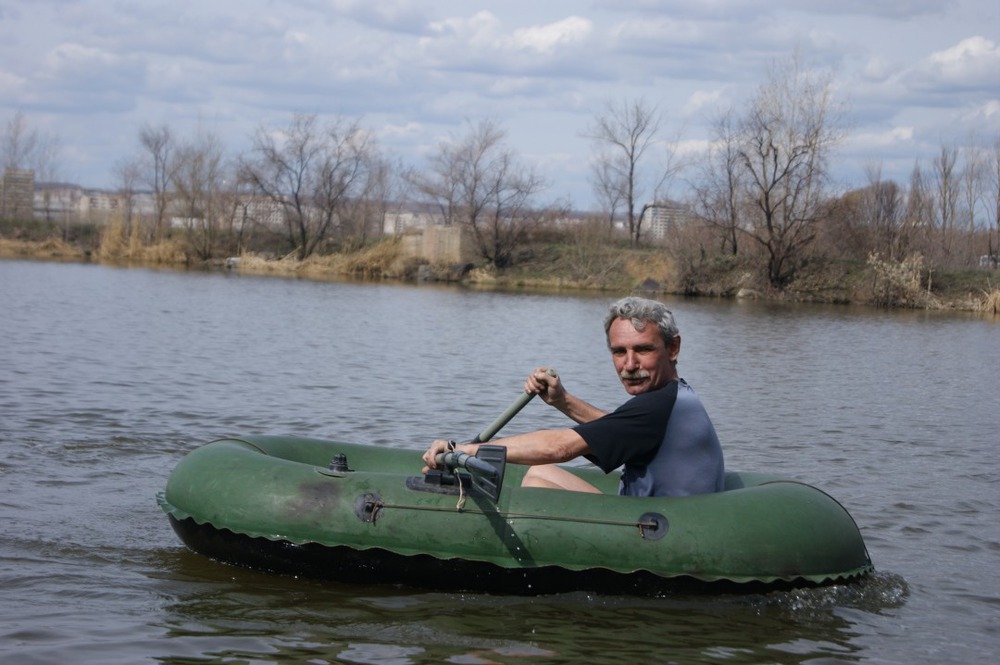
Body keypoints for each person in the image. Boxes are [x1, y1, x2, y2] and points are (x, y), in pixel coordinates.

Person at [422, 296, 725, 497]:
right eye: (619, 352)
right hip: (655, 518)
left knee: (536, 482)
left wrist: (464, 449)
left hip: (659, 532)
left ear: (672, 349)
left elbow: (560, 447)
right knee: (540, 472)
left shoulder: (657, 404)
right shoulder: (676, 396)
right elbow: (617, 428)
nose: (630, 365)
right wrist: (562, 400)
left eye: (643, 350)